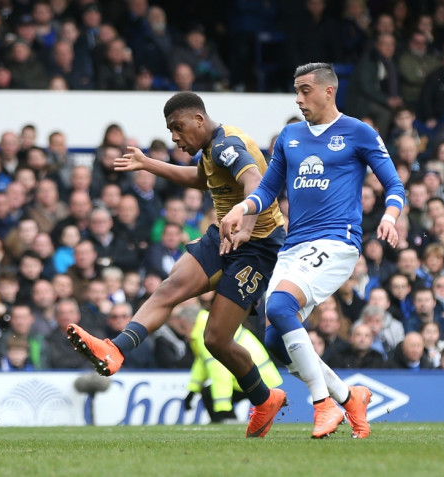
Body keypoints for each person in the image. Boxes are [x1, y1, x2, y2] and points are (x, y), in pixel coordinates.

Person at [67, 91, 288, 438]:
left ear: (198, 120)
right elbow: (200, 180)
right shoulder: (211, 149)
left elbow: (253, 182)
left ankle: (264, 399)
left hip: (256, 244)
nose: (174, 137)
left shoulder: (227, 144)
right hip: (225, 234)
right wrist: (147, 163)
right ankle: (114, 349)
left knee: (216, 339)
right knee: (169, 288)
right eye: (170, 130)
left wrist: (246, 226)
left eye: (178, 128)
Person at [221, 63, 405, 438]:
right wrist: (242, 207)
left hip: (337, 241)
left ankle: (323, 405)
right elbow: (268, 189)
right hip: (295, 246)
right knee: (274, 338)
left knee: (279, 307)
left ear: (328, 91)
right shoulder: (289, 135)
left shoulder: (358, 132)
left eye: (305, 90)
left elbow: (394, 184)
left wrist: (390, 214)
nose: (299, 98)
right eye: (296, 90)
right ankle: (349, 396)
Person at [186, 303, 282, 423]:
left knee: (209, 394)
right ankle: (228, 421)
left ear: (186, 323)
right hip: (261, 375)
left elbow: (220, 372)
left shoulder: (205, 334)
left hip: (252, 377)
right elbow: (202, 364)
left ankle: (227, 421)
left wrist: (222, 408)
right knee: (209, 393)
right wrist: (193, 390)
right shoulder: (212, 325)